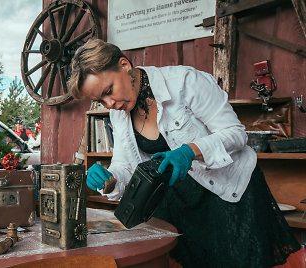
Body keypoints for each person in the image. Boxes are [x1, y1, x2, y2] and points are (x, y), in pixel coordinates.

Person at [68, 39, 301, 267]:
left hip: (226, 195)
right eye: (101, 99)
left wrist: (190, 151)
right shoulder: (118, 114)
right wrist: (110, 179)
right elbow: (126, 166)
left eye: (109, 90)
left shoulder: (185, 82)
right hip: (178, 205)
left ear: (124, 65)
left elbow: (236, 133)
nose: (109, 103)